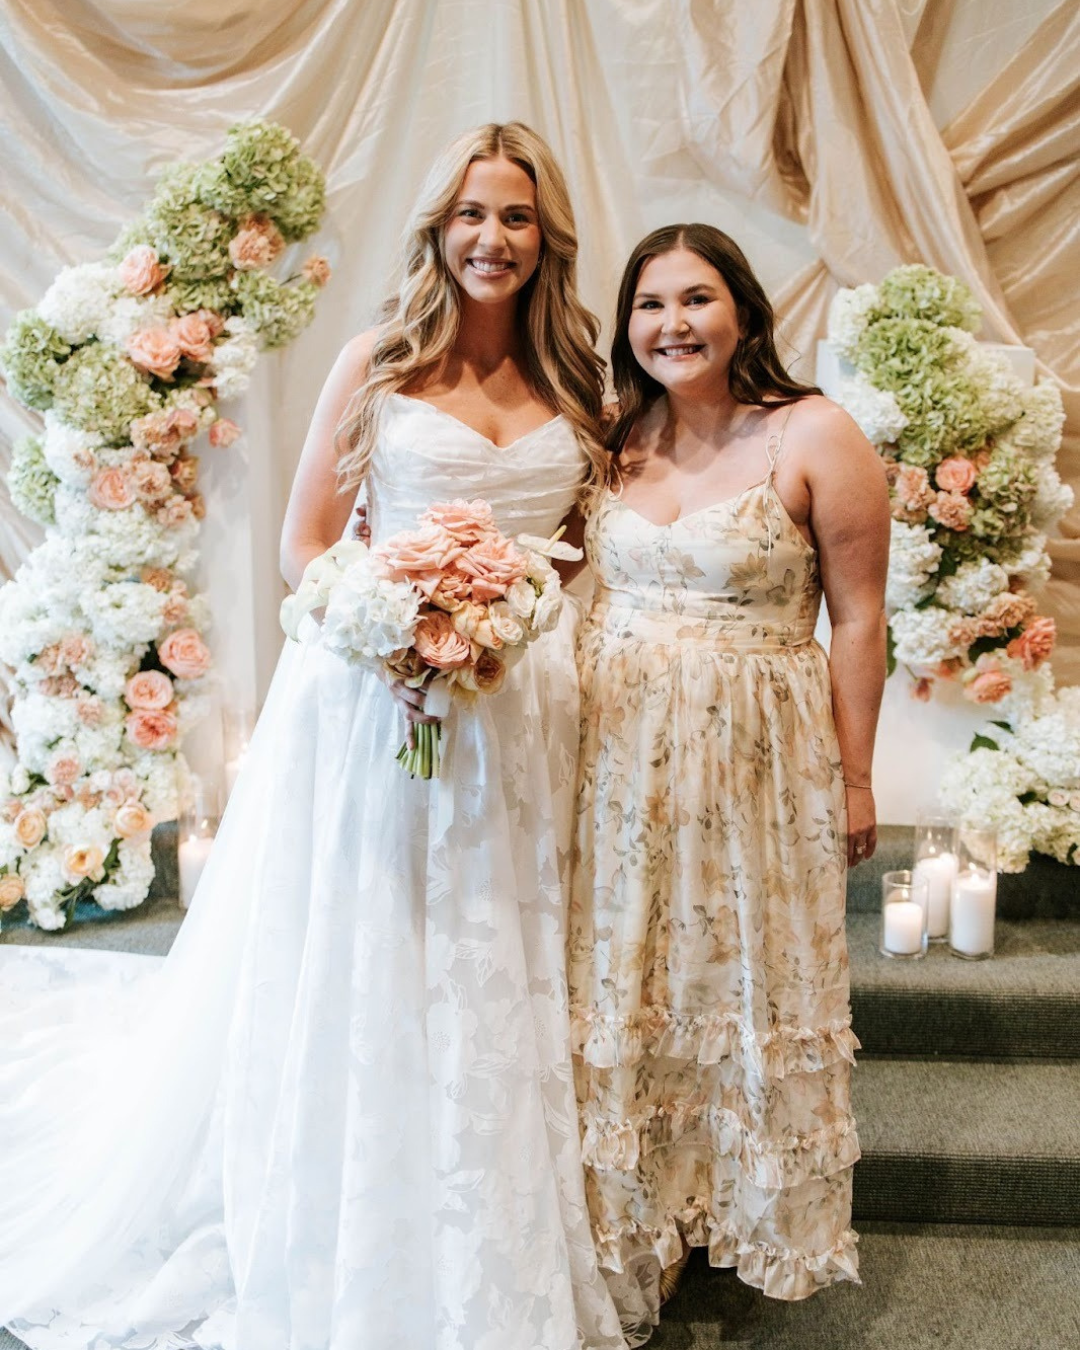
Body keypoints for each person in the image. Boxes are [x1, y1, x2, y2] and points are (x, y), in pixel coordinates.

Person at [0, 123, 627, 1350]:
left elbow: (573, 552)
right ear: (437, 229)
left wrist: (507, 629)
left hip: (522, 706)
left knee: (499, 944)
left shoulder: (578, 381)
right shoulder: (376, 364)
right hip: (377, 699)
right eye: (470, 214)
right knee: (381, 940)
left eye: (515, 217)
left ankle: (486, 1203)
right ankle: (358, 1197)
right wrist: (397, 631)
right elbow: (304, 545)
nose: (492, 238)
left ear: (546, 239)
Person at [566, 224, 889, 1342]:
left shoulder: (814, 432)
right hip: (616, 763)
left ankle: (743, 1215)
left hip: (758, 766)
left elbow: (860, 620)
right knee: (632, 977)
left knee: (742, 978)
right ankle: (642, 1229)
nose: (674, 324)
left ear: (742, 309)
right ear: (627, 326)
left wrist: (855, 778)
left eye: (697, 298)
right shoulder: (611, 437)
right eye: (650, 305)